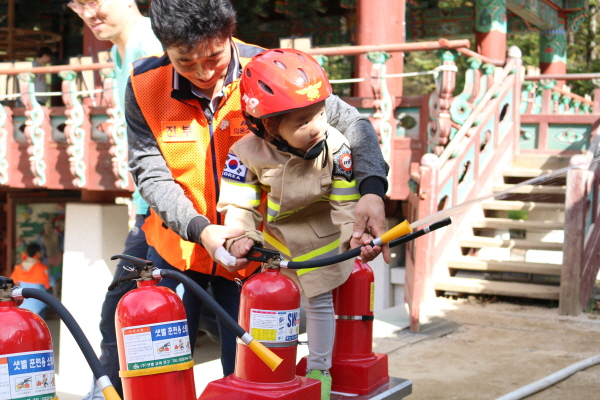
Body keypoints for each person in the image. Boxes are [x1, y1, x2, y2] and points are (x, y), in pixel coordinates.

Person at [127, 0, 390, 378]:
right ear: (164, 46)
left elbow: (353, 125)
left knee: (255, 374)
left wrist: (370, 189)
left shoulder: (274, 73)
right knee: (160, 372)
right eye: (185, 61)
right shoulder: (144, 85)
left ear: (229, 33)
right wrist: (200, 229)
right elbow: (150, 172)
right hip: (178, 254)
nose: (203, 72)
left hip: (253, 259)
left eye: (214, 57)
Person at [217, 48, 381, 400]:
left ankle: (319, 371)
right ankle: (269, 371)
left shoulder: (335, 147)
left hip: (324, 241)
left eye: (319, 114)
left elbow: (345, 202)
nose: (316, 127)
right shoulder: (244, 153)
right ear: (267, 127)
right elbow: (238, 204)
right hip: (277, 246)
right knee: (270, 308)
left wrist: (356, 235)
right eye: (301, 122)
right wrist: (239, 237)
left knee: (320, 304)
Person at [66, 0, 167, 398]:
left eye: (95, 2)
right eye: (78, 6)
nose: (88, 13)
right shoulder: (116, 51)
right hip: (147, 205)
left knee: (122, 312)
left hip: (166, 208)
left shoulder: (150, 46)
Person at [10, 243, 50, 319]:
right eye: (41, 252)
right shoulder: (43, 268)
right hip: (38, 304)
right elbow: (49, 284)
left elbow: (12, 281)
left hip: (24, 305)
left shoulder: (19, 267)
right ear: (37, 253)